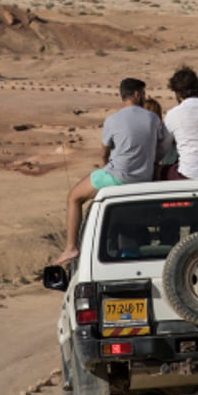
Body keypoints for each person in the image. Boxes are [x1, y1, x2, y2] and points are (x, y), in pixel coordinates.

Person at [54, 77, 167, 265]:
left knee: (74, 196)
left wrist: (106, 165)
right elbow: (162, 145)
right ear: (137, 94)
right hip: (144, 177)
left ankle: (71, 248)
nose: (144, 97)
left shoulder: (112, 120)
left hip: (117, 176)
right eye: (144, 94)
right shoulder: (153, 118)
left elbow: (104, 151)